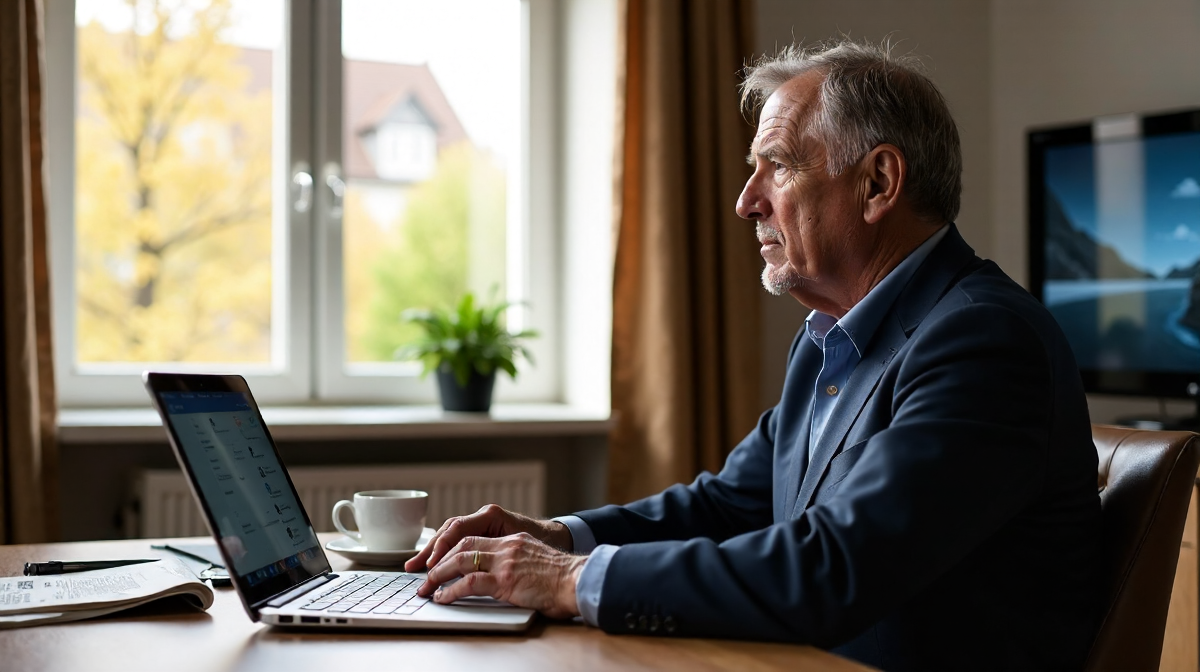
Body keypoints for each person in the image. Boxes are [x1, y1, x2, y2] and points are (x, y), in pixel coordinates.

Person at [406, 40, 1101, 671]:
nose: (745, 203)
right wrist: (558, 537)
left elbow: (835, 567)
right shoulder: (832, 335)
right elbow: (731, 504)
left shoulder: (983, 341)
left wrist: (562, 580)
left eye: (778, 168)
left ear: (879, 183)